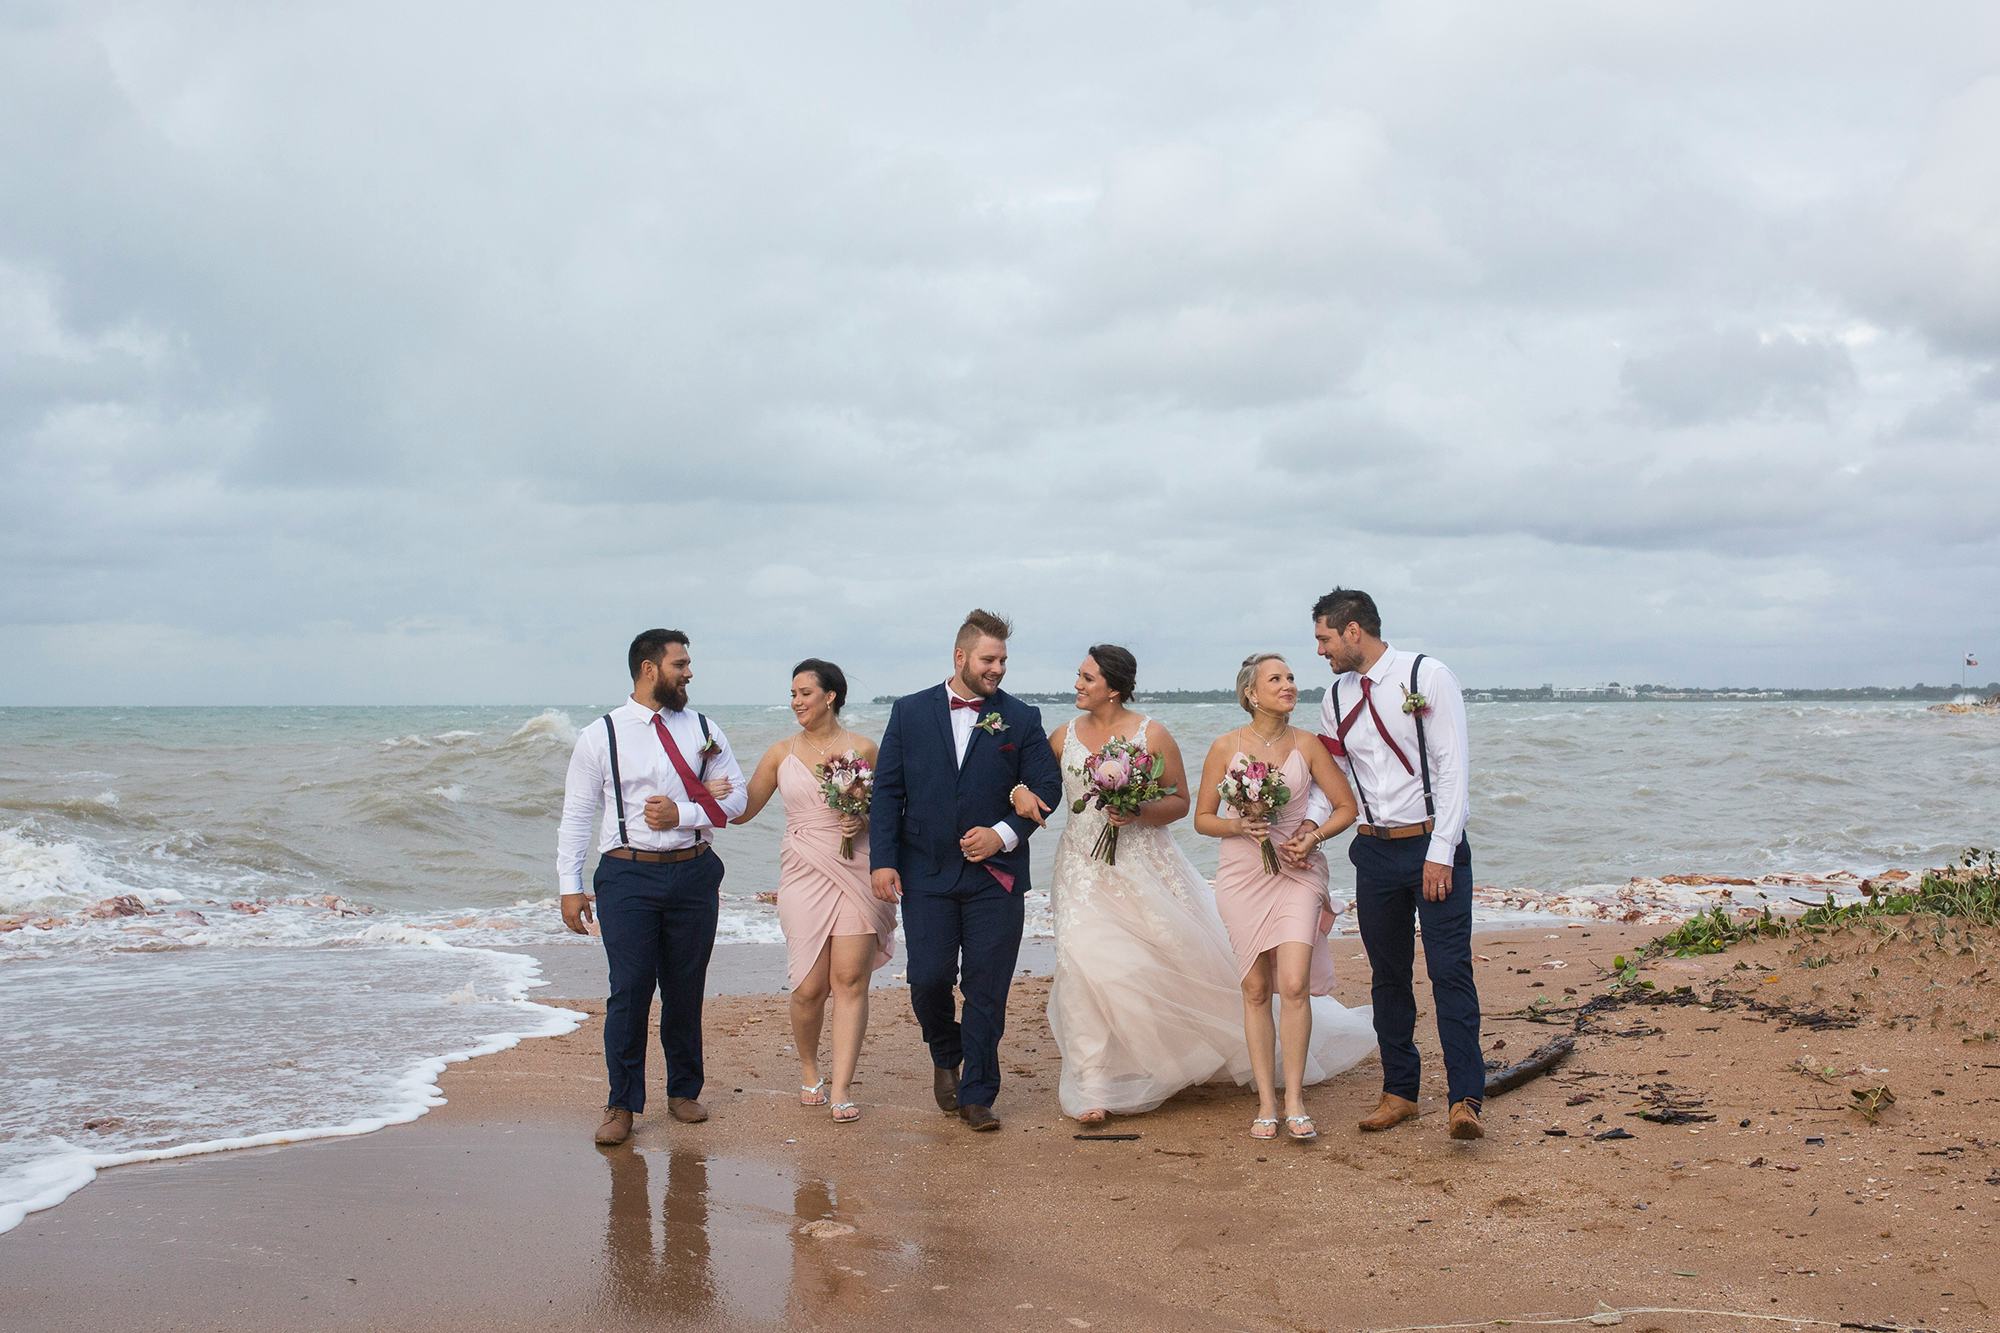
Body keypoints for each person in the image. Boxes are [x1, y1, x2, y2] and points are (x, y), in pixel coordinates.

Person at [1014, 645, 1375, 1127]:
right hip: (1082, 870)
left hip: (1145, 865)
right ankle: (1094, 1084)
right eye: (1078, 676)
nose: (1077, 684)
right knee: (1084, 970)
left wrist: (1137, 809)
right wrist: (1019, 794)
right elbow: (1039, 785)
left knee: (1167, 965)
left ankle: (1215, 1070)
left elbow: (1182, 805)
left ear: (1113, 687)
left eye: (1086, 677)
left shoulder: (1152, 733)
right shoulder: (1062, 736)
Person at [1295, 587, 1483, 1140]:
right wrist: (1309, 825)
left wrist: (1442, 851)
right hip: (1374, 850)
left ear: (1354, 631)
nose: (1321, 650)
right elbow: (1333, 780)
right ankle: (1400, 1091)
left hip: (1433, 847)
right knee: (1388, 976)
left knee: (1450, 973)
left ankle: (1465, 1098)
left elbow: (1453, 769)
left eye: (1324, 638)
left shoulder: (1428, 676)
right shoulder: (1335, 698)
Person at [868, 609, 1063, 1132]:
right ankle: (944, 1049)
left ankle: (978, 1093)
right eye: (988, 659)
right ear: (961, 658)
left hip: (994, 880)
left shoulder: (1021, 718)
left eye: (1003, 659)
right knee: (928, 980)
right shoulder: (909, 712)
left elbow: (1048, 788)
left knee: (987, 987)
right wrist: (883, 861)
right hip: (925, 874)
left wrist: (1001, 833)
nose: (998, 668)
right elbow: (887, 791)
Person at [557, 629, 747, 1147]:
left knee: (686, 987)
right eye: (680, 664)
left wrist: (682, 813)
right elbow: (577, 814)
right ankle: (622, 1103)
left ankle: (684, 1091)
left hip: (694, 870)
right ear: (649, 668)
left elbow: (737, 801)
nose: (689, 672)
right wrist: (569, 886)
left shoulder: (705, 728)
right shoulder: (602, 734)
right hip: (626, 876)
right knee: (631, 988)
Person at [1193, 652, 1373, 1141]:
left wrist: (1312, 838)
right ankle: (1266, 1101)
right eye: (1276, 679)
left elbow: (1345, 807)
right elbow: (1202, 818)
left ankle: (1295, 1098)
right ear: (1251, 693)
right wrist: (1238, 824)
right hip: (1243, 873)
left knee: (1292, 984)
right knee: (1254, 989)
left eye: (1291, 677)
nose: (1289, 685)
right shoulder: (1224, 746)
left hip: (1298, 870)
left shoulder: (1309, 745)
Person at [732, 658, 896, 1123]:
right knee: (809, 986)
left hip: (855, 869)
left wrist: (862, 818)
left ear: (830, 696)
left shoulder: (865, 748)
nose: (796, 702)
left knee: (849, 980)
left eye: (805, 693)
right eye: (792, 694)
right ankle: (809, 1070)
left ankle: (842, 1088)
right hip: (803, 871)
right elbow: (741, 811)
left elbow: (890, 811)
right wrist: (704, 786)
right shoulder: (780, 753)